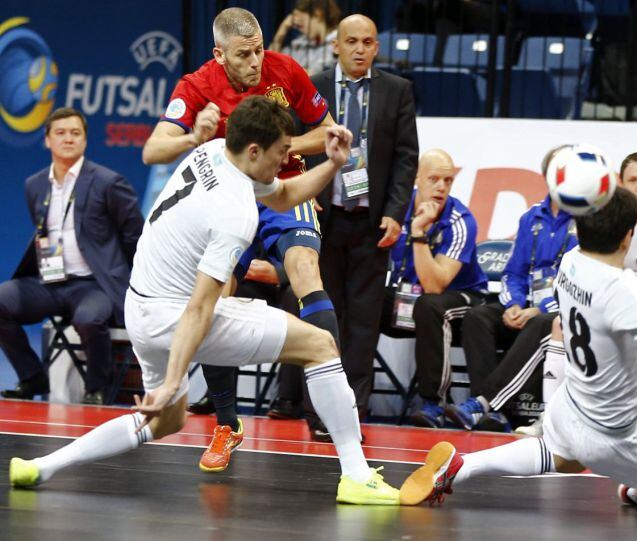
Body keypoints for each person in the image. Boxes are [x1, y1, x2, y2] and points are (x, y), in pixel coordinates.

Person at [10, 96, 401, 505]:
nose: (287, 159)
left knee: (165, 421)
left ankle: (42, 466)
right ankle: (356, 475)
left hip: (141, 307)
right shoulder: (235, 216)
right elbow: (199, 307)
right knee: (320, 346)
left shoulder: (214, 151)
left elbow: (284, 195)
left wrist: (333, 164)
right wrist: (177, 379)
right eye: (282, 152)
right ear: (254, 150)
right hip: (174, 316)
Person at [400, 187, 637, 508]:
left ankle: (464, 466)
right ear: (629, 236)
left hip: (571, 404)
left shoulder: (570, 262)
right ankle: (636, 489)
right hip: (617, 433)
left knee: (562, 458)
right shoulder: (623, 289)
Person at [142, 7, 341, 465]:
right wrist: (195, 137)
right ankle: (227, 426)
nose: (255, 61)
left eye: (259, 50)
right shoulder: (195, 86)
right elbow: (154, 149)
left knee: (305, 269)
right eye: (243, 54)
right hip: (229, 201)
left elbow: (326, 130)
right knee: (216, 299)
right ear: (219, 54)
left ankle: (332, 400)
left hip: (282, 187)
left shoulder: (285, 70)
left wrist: (279, 147)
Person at [513, 150, 637, 437]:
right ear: (620, 184)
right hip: (620, 313)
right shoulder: (608, 221)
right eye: (633, 180)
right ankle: (551, 421)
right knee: (560, 324)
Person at [310, 14, 419, 422]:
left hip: (372, 224)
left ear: (376, 47)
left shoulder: (396, 91)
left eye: (368, 42)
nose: (359, 49)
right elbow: (294, 144)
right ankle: (319, 409)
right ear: (335, 45)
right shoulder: (314, 86)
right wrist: (305, 191)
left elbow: (407, 159)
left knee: (363, 321)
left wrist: (395, 213)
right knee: (324, 318)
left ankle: (353, 409)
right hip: (323, 219)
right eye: (351, 41)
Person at [0, 107, 143, 405]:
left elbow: (136, 237)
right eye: (60, 133)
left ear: (85, 141)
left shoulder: (108, 182)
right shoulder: (34, 185)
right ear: (47, 140)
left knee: (90, 318)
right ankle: (32, 376)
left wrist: (135, 286)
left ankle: (96, 388)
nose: (68, 139)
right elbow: (44, 233)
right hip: (50, 282)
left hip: (94, 284)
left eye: (75, 133)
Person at [446, 145, 577, 433]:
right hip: (524, 305)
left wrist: (537, 309)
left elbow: (577, 284)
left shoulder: (587, 220)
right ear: (547, 175)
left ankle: (484, 403)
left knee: (543, 322)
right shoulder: (530, 218)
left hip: (558, 312)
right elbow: (513, 273)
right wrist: (514, 305)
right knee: (477, 317)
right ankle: (493, 413)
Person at [378, 149, 487, 427]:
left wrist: (418, 233)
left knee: (430, 305)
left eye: (448, 181)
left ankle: (434, 403)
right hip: (409, 296)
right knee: (363, 298)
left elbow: (435, 284)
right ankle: (352, 393)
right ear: (417, 178)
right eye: (434, 179)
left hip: (462, 299)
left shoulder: (460, 220)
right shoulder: (396, 209)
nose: (441, 187)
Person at [269, 0, 341, 75]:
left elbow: (319, 76)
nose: (298, 27)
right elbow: (269, 63)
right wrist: (281, 32)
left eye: (301, 23)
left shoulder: (340, 42)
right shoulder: (300, 43)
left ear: (318, 14)